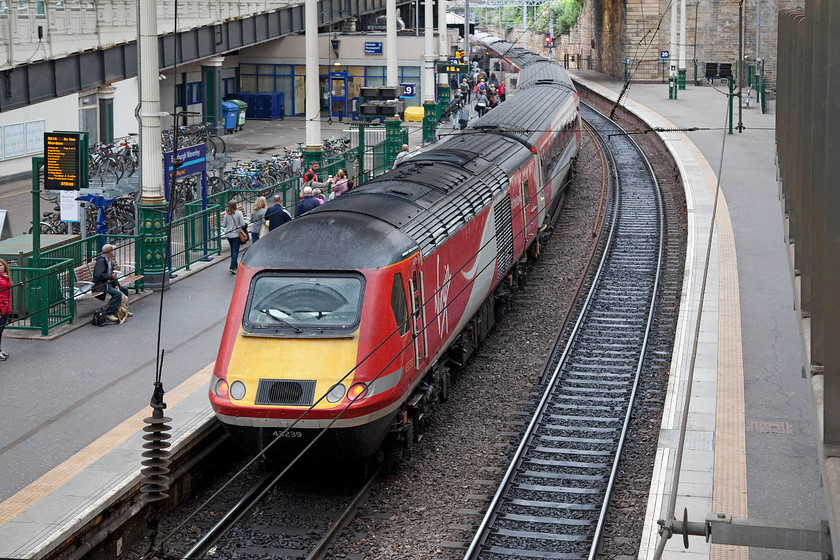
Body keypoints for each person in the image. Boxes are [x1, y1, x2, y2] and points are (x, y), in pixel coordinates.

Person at [93, 243, 131, 323]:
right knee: (117, 294)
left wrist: (116, 284)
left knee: (125, 289)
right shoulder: (101, 261)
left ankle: (123, 310)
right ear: (109, 252)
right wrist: (111, 277)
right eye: (112, 250)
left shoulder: (110, 260)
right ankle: (109, 313)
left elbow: (113, 274)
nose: (113, 251)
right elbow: (98, 275)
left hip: (110, 282)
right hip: (102, 284)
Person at [222, 200, 246, 274]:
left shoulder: (226, 214)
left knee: (233, 250)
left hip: (229, 235)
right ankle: (232, 267)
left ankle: (235, 265)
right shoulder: (239, 213)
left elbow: (224, 225)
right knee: (235, 251)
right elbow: (242, 224)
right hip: (236, 234)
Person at [0, 258, 11, 360]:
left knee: (2, 328)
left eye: (0, 266)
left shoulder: (5, 277)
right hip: (1, 306)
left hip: (5, 306)